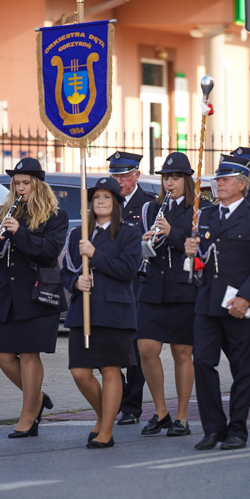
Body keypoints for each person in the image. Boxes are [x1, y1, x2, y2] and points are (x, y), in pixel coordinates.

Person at [185, 155, 250, 450]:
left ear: (241, 184)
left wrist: (245, 297)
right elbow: (201, 261)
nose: (218, 184)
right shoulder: (205, 216)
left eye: (224, 180)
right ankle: (213, 427)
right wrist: (191, 252)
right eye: (217, 180)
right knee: (203, 363)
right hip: (208, 302)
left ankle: (237, 429)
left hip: (241, 305)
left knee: (242, 368)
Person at [0, 157, 67, 438]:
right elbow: (1, 255)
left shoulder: (55, 216)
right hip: (8, 292)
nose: (20, 188)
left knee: (30, 354)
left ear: (38, 185)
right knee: (0, 354)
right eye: (16, 183)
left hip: (37, 292)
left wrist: (19, 233)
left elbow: (48, 251)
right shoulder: (4, 212)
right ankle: (37, 398)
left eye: (26, 184)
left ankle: (28, 416)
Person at [61, 177, 142, 448]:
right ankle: (104, 414)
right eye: (96, 198)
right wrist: (75, 282)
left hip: (114, 312)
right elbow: (66, 271)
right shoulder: (79, 234)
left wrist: (95, 254)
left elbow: (126, 271)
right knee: (80, 372)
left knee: (111, 370)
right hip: (83, 311)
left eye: (107, 197)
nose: (101, 202)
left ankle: (106, 431)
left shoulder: (128, 233)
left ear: (116, 203)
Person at [136, 152, 199, 437]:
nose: (169, 183)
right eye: (166, 178)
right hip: (152, 287)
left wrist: (171, 232)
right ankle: (160, 411)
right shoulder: (151, 209)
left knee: (182, 352)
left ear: (186, 180)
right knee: (146, 348)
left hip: (182, 287)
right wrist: (144, 241)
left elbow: (192, 244)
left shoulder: (199, 209)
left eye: (174, 178)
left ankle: (182, 416)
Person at [106, 150, 155, 425]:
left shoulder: (147, 205)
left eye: (124, 176)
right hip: (109, 281)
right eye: (115, 176)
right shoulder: (105, 202)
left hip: (136, 282)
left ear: (137, 175)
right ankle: (120, 393)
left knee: (136, 347)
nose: (120, 181)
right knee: (109, 343)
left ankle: (132, 405)